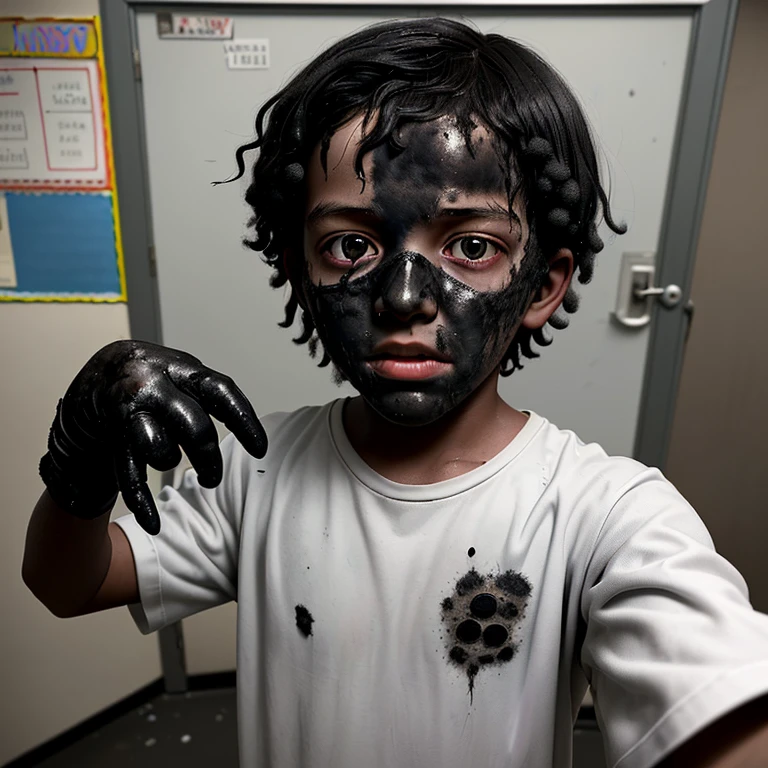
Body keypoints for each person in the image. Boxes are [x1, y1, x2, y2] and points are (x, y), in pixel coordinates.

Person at [22, 17, 768, 768]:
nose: (405, 297)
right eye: (352, 245)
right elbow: (65, 583)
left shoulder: (603, 517)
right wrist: (77, 461)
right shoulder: (254, 470)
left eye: (471, 246)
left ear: (543, 285)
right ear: (298, 272)